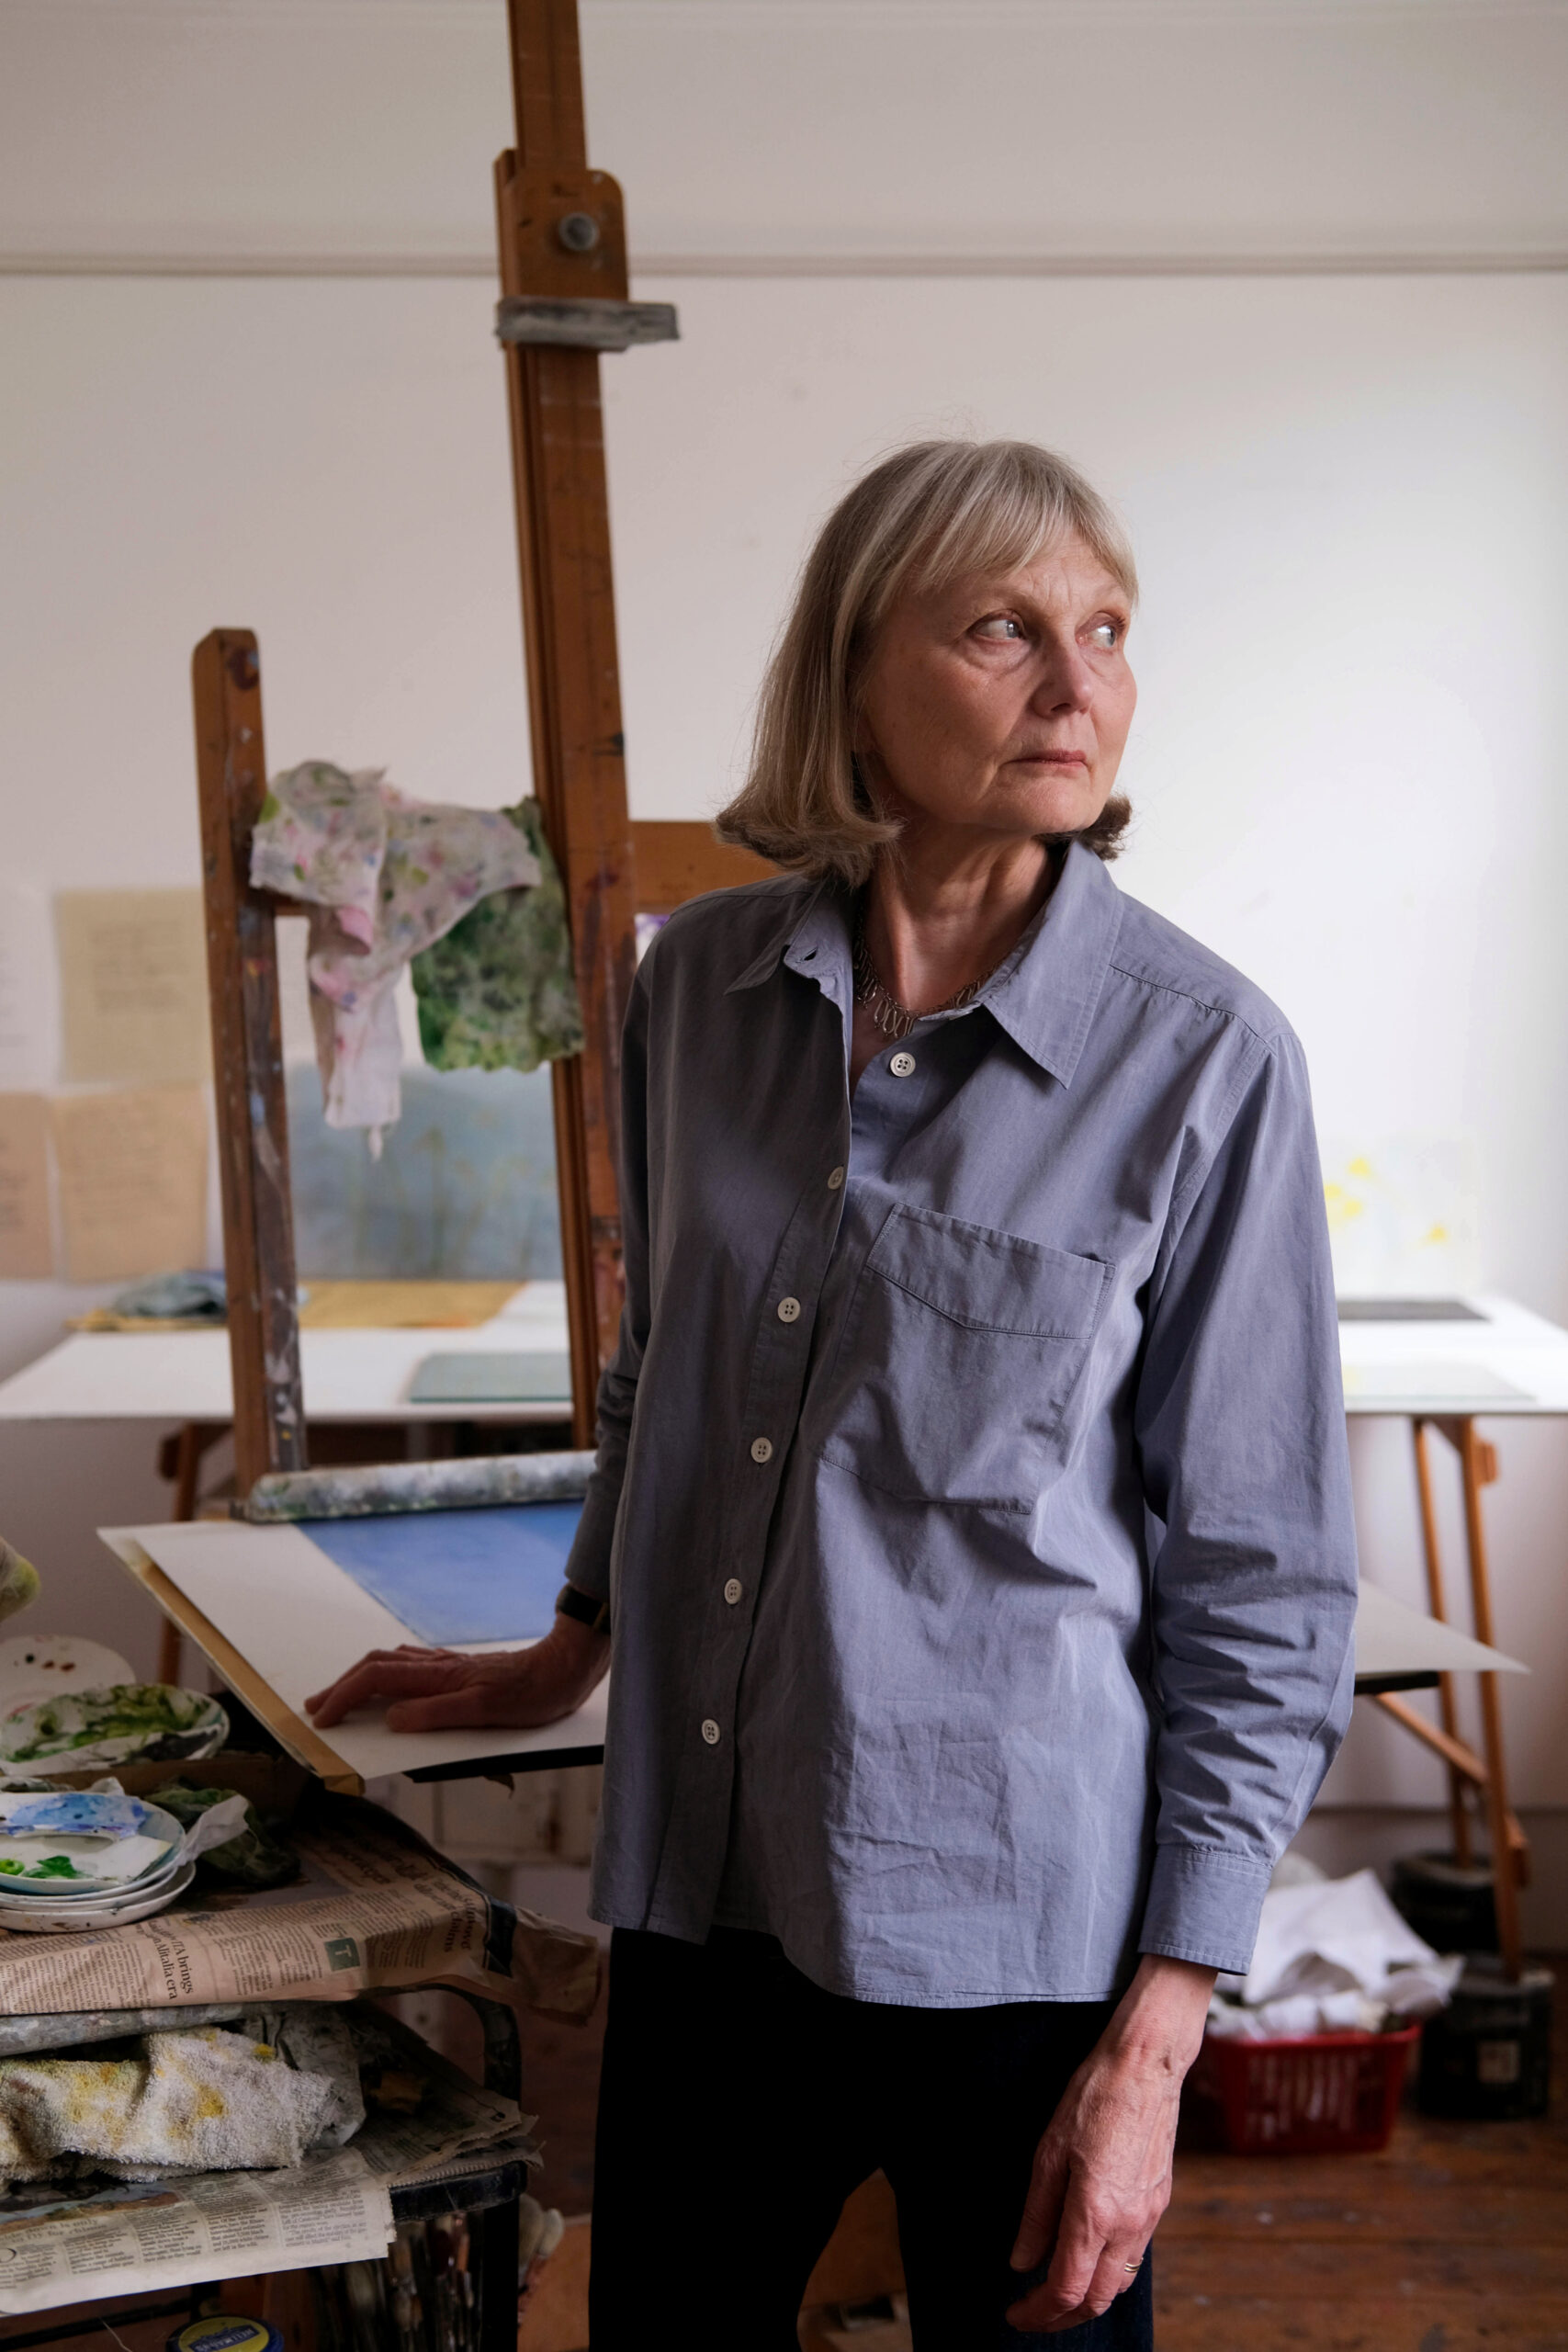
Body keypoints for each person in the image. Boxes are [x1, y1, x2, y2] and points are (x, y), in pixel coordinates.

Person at [309, 439, 1358, 2347]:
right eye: (1003, 629)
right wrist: (574, 1638)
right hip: (708, 1888)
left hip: (1025, 1944)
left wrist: (1158, 2037)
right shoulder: (696, 989)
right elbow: (663, 1366)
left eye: (1108, 629)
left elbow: (1263, 1582)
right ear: (854, 675)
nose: (1078, 685)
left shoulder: (1205, 1060)